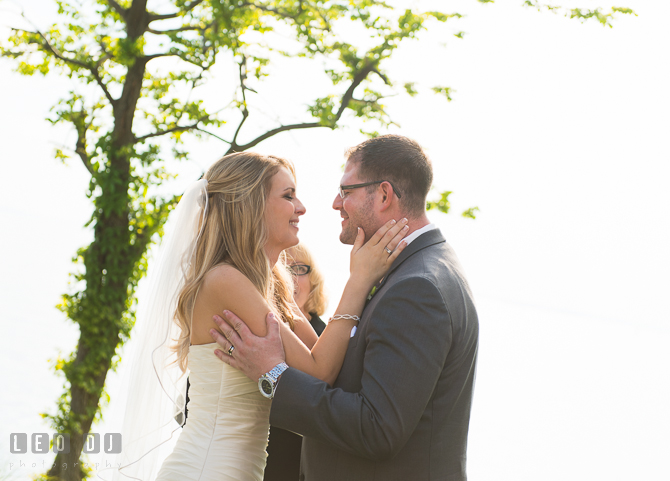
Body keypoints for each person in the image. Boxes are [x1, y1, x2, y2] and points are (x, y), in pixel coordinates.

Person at [110, 152, 408, 481]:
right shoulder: (223, 280)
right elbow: (319, 372)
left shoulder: (271, 287)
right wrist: (359, 280)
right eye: (288, 196)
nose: (301, 208)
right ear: (250, 205)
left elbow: (328, 360)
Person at [212, 135, 479, 481]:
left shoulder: (418, 287)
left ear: (383, 195)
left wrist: (274, 375)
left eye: (346, 191)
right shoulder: (412, 271)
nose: (336, 203)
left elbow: (376, 429)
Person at [263, 243, 328, 481]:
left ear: (314, 280)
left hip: (303, 463)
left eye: (300, 269)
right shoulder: (260, 327)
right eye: (284, 268)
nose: (290, 277)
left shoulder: (328, 339)